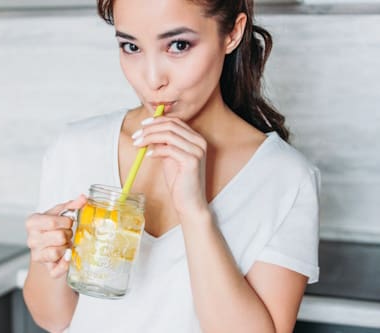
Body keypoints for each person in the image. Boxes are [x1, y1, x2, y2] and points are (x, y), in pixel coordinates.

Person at [23, 0, 320, 332]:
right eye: (131, 46)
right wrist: (46, 254)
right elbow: (52, 319)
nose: (152, 79)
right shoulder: (77, 148)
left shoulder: (284, 178)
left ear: (232, 33)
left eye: (178, 45)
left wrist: (195, 213)